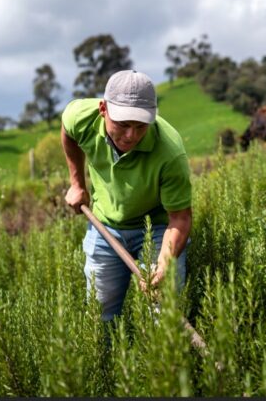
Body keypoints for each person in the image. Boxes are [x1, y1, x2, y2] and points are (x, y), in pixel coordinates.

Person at [61, 70, 192, 321]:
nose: (131, 135)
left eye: (140, 125)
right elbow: (68, 131)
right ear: (103, 109)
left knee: (164, 314)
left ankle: (163, 360)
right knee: (101, 314)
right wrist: (77, 183)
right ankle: (108, 359)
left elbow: (181, 219)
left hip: (156, 228)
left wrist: (164, 264)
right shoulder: (81, 117)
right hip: (105, 227)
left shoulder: (170, 152)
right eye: (122, 124)